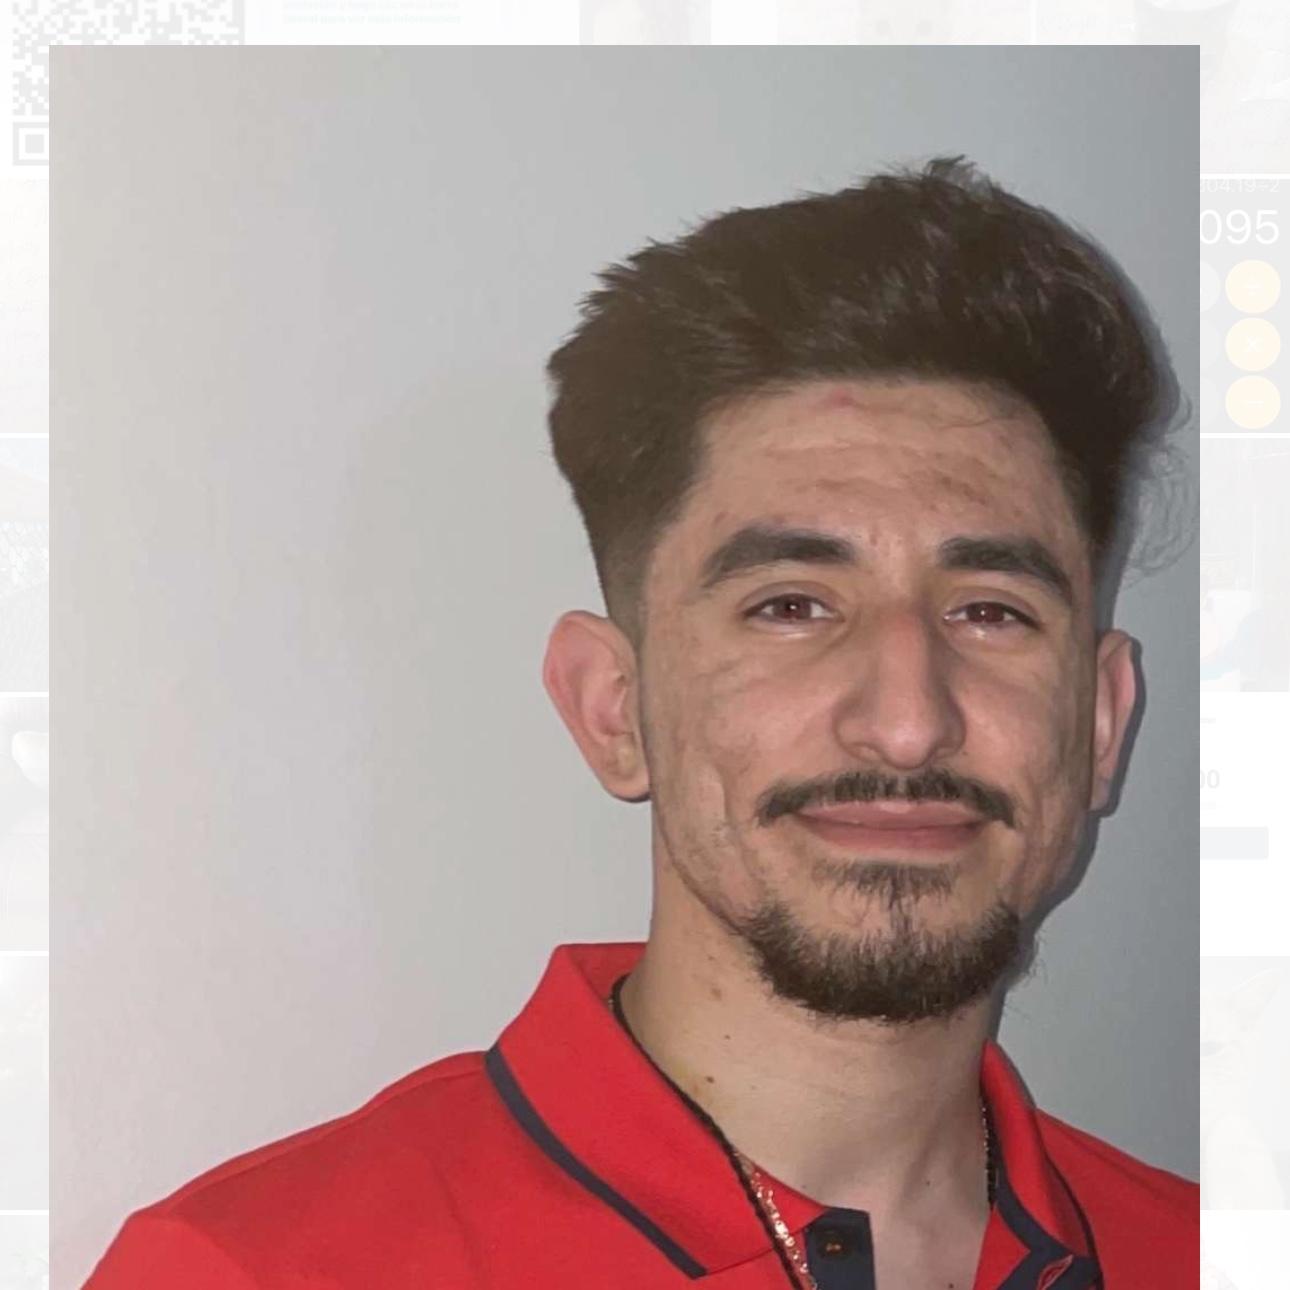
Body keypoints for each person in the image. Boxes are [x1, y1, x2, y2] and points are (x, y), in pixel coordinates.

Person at [85, 156, 1196, 1289]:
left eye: (991, 612)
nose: (908, 724)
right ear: (613, 708)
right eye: (791, 607)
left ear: (1102, 721)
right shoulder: (245, 1271)